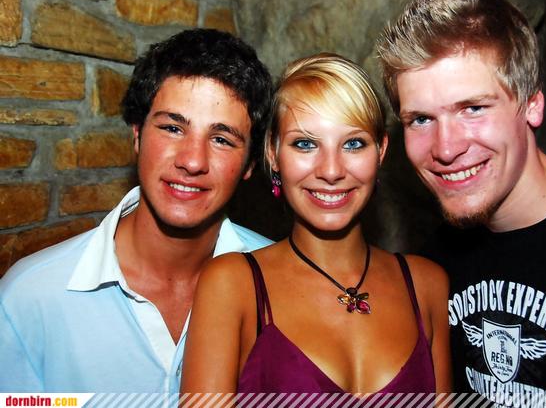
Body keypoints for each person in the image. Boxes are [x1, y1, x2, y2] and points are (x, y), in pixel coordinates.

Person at [0, 28, 273, 392]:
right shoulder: (29, 299)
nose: (193, 161)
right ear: (137, 135)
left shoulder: (280, 284)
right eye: (173, 128)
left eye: (221, 139)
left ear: (250, 164)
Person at [377, 0, 546, 401]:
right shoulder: (434, 265)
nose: (446, 148)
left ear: (532, 105)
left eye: (472, 108)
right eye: (421, 119)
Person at [181, 53, 451, 398]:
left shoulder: (427, 285)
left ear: (381, 151)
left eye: (353, 144)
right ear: (273, 153)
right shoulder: (232, 285)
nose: (331, 171)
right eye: (305, 144)